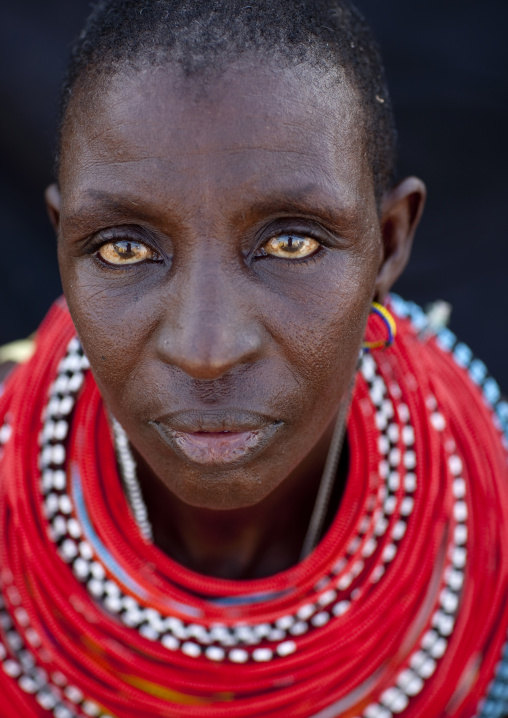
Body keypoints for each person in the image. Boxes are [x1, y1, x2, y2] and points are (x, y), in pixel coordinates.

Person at [0, 1, 507, 716]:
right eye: (123, 247)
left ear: (389, 244)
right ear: (64, 245)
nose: (206, 353)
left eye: (292, 243)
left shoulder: (491, 510)